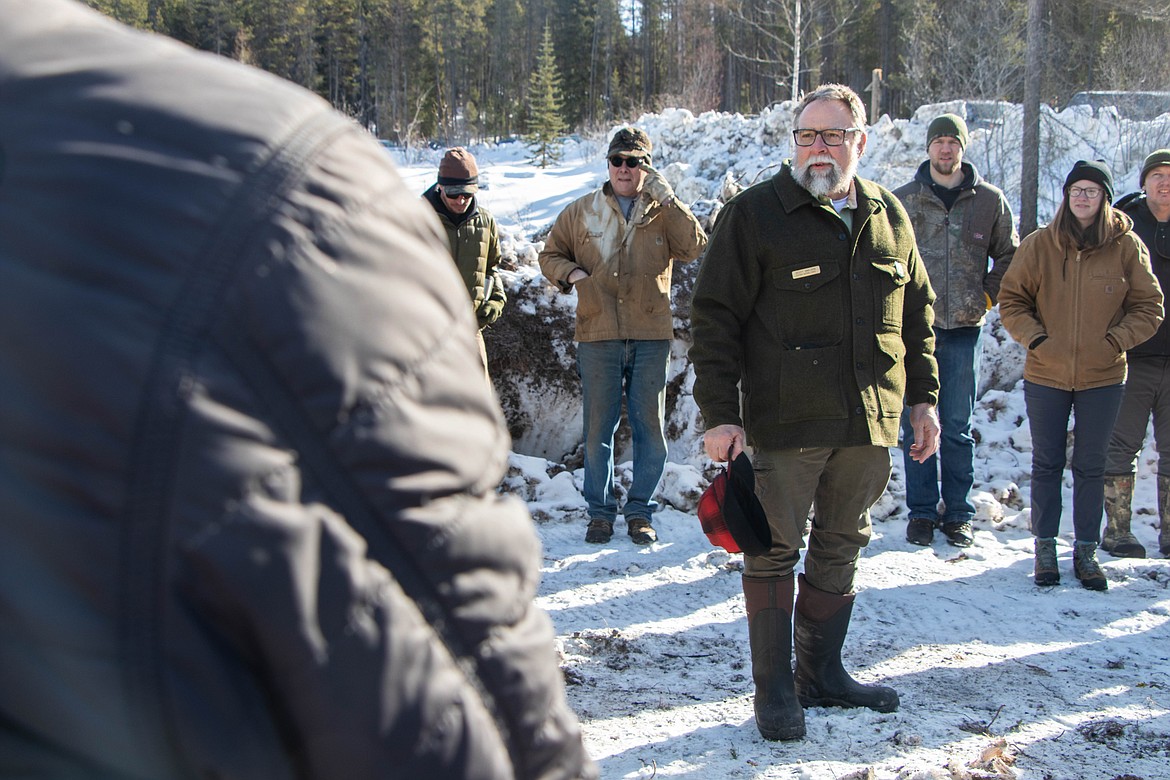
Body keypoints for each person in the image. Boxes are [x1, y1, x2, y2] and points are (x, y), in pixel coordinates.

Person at [0, 3, 596, 778]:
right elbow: (448, 625)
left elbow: (484, 285)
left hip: (458, 345)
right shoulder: (296, 187)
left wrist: (477, 310)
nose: (457, 199)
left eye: (464, 191)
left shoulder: (453, 219)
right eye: (449, 190)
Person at [689, 83, 941, 742]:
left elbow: (918, 316)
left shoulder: (889, 215)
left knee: (842, 544)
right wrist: (719, 413)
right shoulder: (755, 214)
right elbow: (715, 319)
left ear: (861, 142)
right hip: (784, 423)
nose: (818, 147)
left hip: (867, 423)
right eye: (807, 135)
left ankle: (820, 675)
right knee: (771, 550)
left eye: (832, 136)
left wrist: (924, 400)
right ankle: (774, 690)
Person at [538, 126, 707, 546]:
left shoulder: (662, 213)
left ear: (647, 168)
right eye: (618, 160)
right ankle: (599, 513)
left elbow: (694, 246)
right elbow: (549, 254)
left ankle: (640, 512)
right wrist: (573, 274)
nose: (625, 169)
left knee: (650, 428)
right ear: (608, 164)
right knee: (599, 428)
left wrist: (668, 200)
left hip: (650, 334)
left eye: (635, 161)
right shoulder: (583, 212)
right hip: (598, 333)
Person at [999, 160, 1163, 592]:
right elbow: (1012, 301)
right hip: (1046, 374)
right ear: (1067, 196)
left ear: (1105, 197)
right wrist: (1038, 341)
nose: (1083, 197)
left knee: (1091, 465)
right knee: (1048, 463)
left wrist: (1114, 342)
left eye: (1091, 191)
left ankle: (1087, 549)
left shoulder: (1126, 246)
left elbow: (1150, 306)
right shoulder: (1040, 245)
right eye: (1076, 190)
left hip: (1104, 377)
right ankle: (1045, 547)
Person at [893, 113, 1019, 548]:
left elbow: (1009, 257)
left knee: (957, 425)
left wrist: (984, 298)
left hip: (964, 328)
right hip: (915, 328)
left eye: (953, 142)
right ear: (928, 147)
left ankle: (959, 513)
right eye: (939, 141)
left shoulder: (989, 201)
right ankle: (923, 513)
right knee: (916, 423)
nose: (945, 149)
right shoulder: (904, 200)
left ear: (963, 148)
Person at [1102, 149, 1170, 559]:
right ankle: (1118, 532)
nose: (1164, 182)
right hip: (1132, 355)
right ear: (1143, 182)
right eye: (1156, 175)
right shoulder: (1122, 225)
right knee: (1122, 445)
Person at [423, 147, 507, 375]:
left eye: (467, 194)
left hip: (470, 332)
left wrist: (496, 300)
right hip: (423, 336)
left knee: (477, 406)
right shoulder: (415, 218)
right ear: (440, 186)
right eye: (454, 193)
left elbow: (491, 269)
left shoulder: (485, 222)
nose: (461, 200)